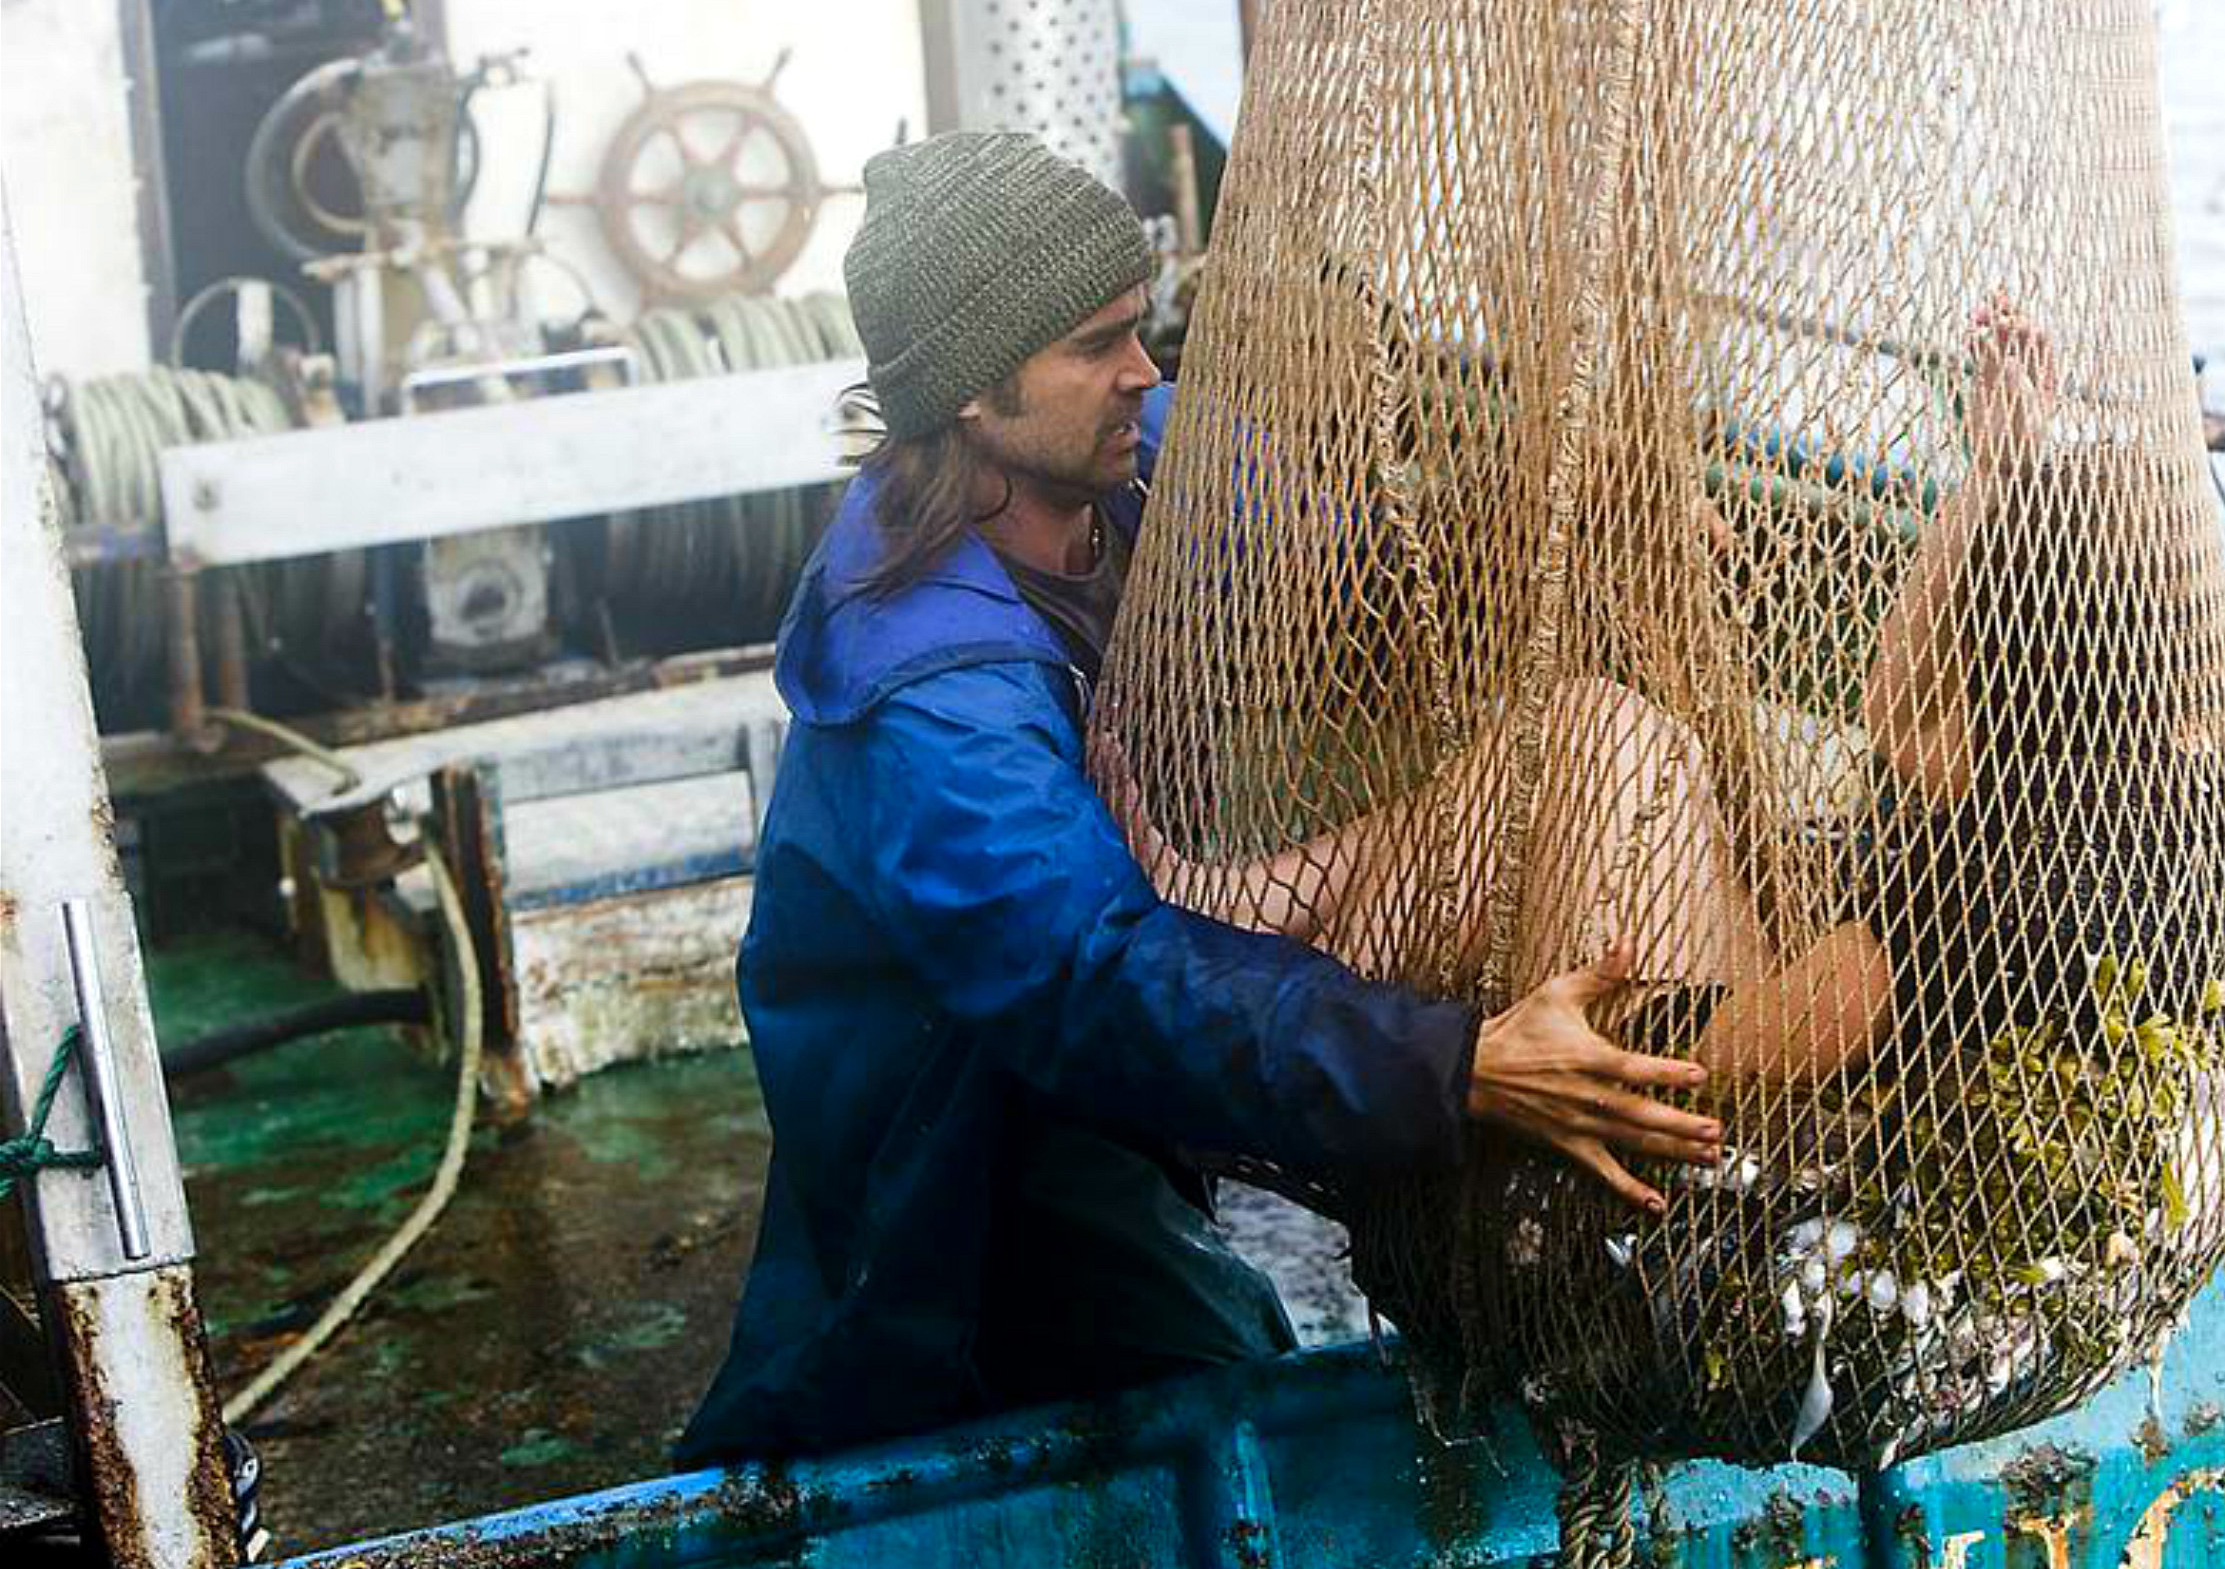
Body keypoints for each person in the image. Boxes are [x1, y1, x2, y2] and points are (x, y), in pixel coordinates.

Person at [677, 133, 1721, 1467]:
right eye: (1099, 347)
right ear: (976, 397)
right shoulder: (933, 695)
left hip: (1129, 1034)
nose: (1145, 371)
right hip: (969, 1146)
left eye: (1144, 328)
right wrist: (1454, 1063)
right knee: (920, 1411)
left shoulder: (1132, 470)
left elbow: (1348, 553)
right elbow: (1095, 977)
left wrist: (1544, 516)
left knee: (1593, 741)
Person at [1105, 298, 2076, 1090]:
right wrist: (2000, 471)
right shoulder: (2055, 806)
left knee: (1604, 750)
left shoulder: (1954, 916)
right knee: (1615, 745)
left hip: (1694, 1165)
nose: (1891, 676)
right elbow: (1925, 691)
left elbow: (1701, 1066)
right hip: (1785, 1042)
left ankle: (1256, 914)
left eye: (1933, 664)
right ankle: (1256, 906)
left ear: (1993, 712)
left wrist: (1495, 1047)